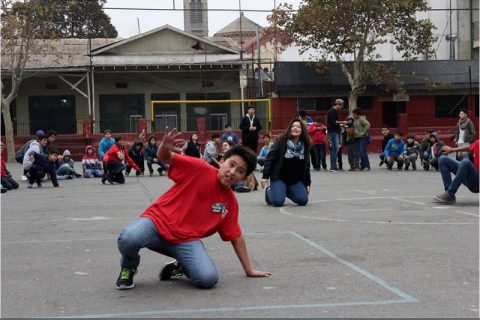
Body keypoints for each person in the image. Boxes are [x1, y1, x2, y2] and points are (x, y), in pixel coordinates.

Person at [115, 129, 271, 290]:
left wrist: (249, 270)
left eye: (240, 171)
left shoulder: (230, 204)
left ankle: (181, 265)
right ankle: (129, 267)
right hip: (156, 223)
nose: (232, 172)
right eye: (231, 165)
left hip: (185, 240)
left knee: (208, 278)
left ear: (244, 178)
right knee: (128, 238)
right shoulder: (199, 168)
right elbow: (165, 157)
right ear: (222, 160)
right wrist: (164, 146)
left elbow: (236, 237)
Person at [261, 119, 312, 207]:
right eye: (293, 126)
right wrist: (265, 176)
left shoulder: (306, 144)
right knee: (278, 202)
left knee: (303, 200)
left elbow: (306, 165)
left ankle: (282, 190)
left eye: (298, 127)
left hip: (295, 180)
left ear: (302, 130)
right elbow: (270, 158)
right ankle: (269, 191)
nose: (295, 128)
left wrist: (307, 182)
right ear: (289, 128)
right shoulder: (281, 140)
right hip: (279, 177)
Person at [432, 140, 479, 204]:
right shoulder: (478, 142)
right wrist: (452, 150)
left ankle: (450, 193)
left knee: (466, 162)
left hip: (477, 183)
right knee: (443, 159)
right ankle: (449, 195)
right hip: (471, 177)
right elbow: (469, 147)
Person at [326, 99, 347, 172]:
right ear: (338, 104)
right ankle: (333, 167)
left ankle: (334, 166)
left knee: (335, 149)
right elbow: (334, 122)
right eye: (342, 105)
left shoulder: (333, 111)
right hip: (333, 132)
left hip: (334, 131)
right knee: (335, 149)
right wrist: (343, 122)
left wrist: (340, 124)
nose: (342, 107)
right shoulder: (332, 111)